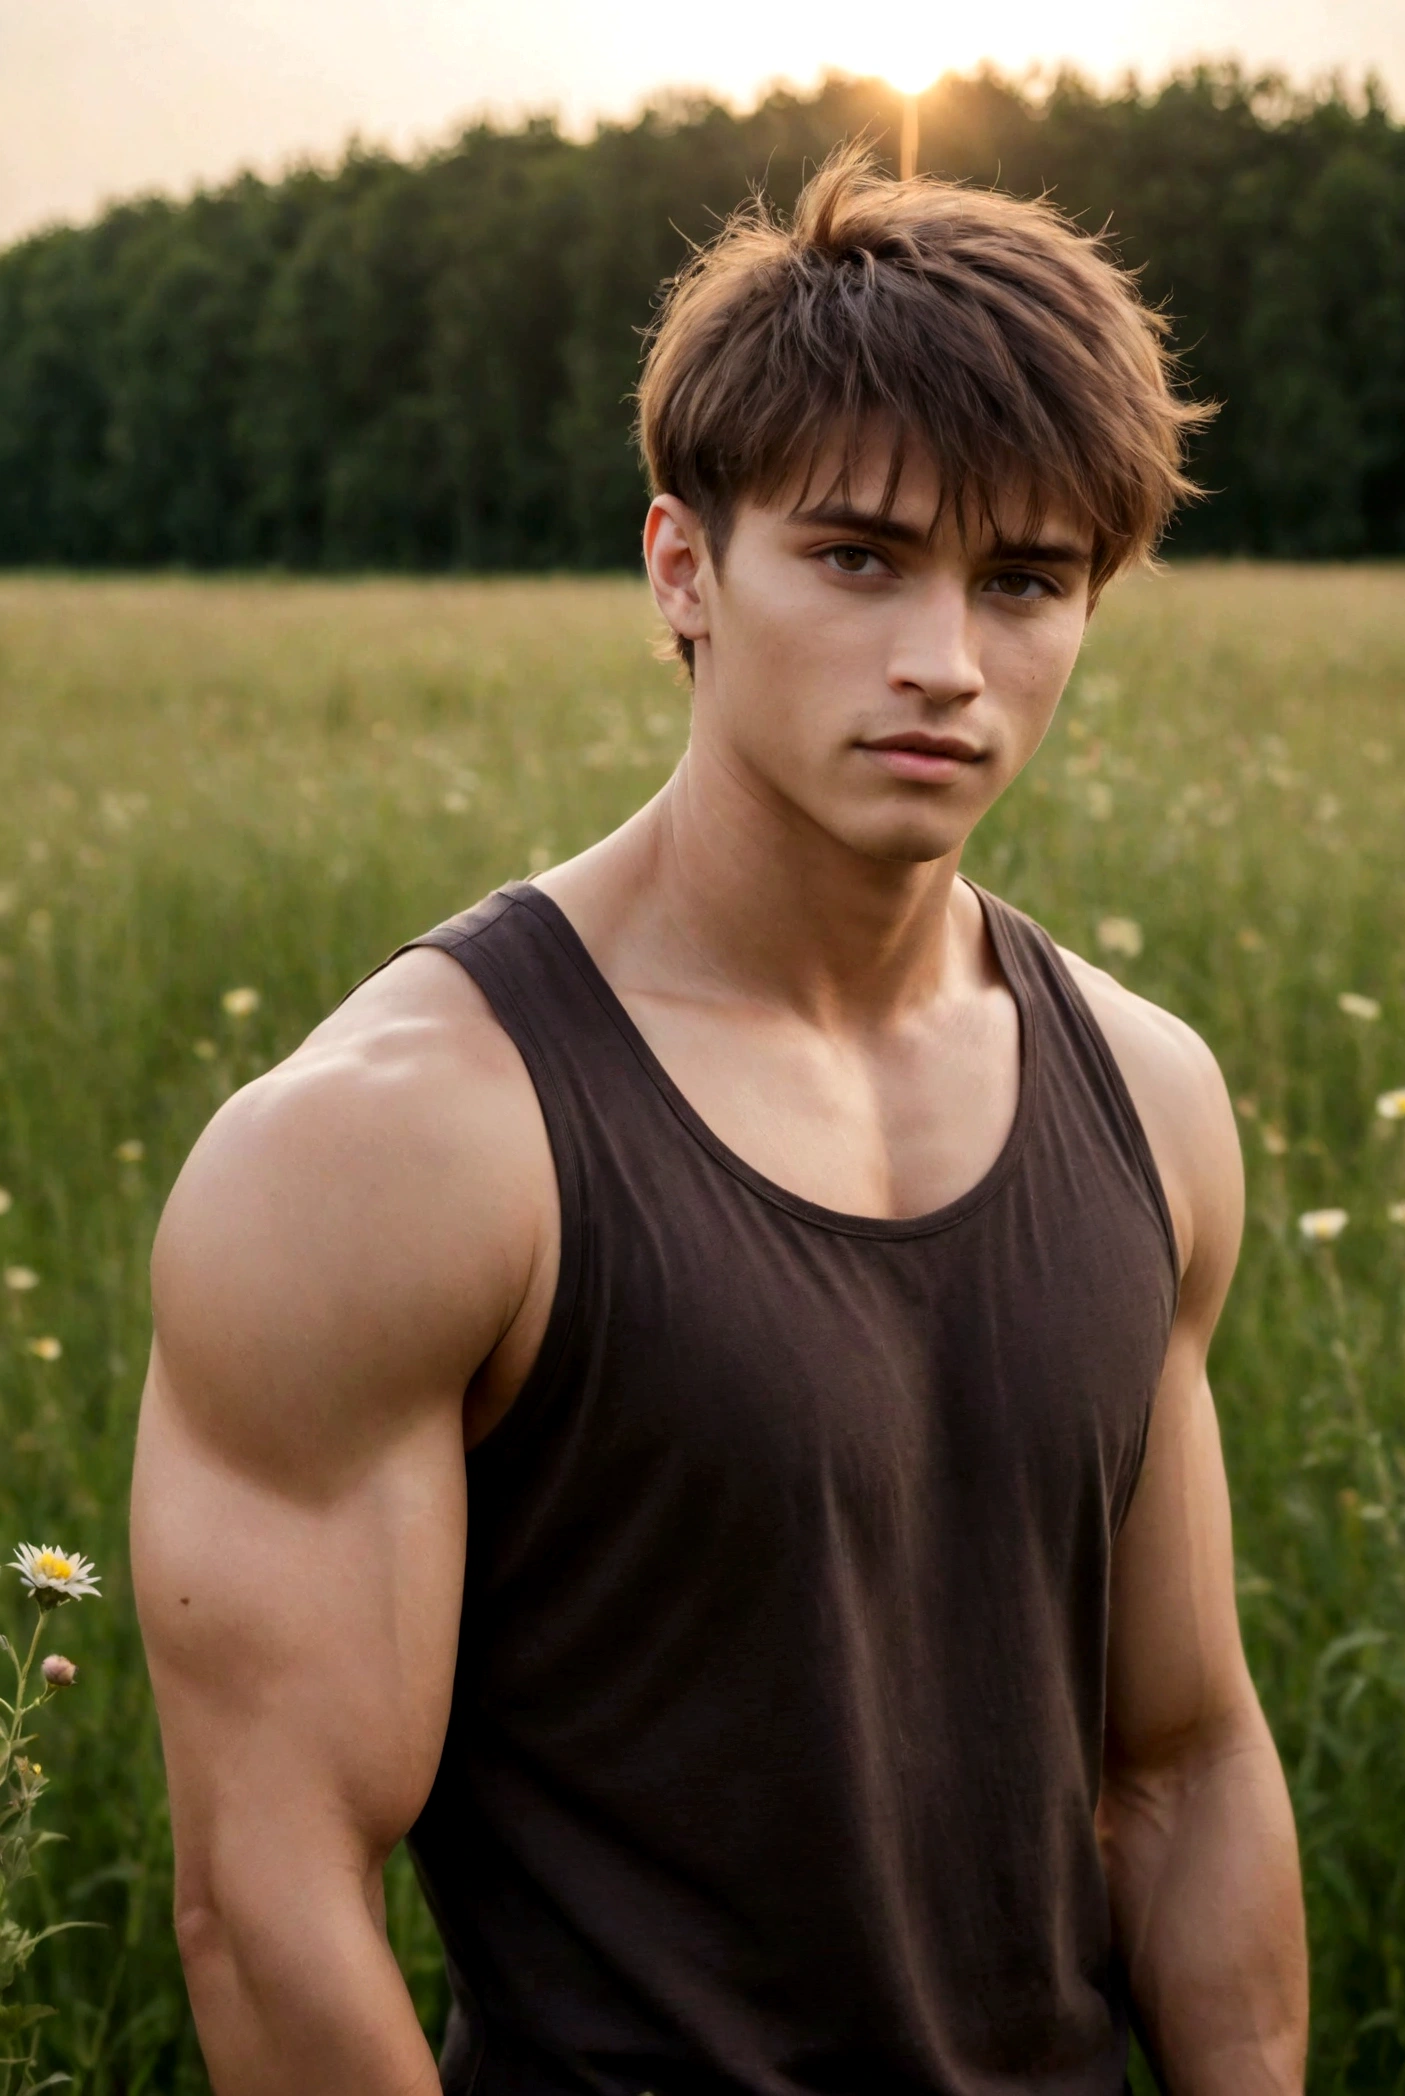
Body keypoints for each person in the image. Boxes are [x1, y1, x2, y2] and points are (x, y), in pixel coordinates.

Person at [131, 146, 1308, 2096]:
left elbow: (1176, 1769)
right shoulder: (389, 1143)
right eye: (855, 557)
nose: (944, 662)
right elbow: (270, 1899)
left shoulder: (1150, 1098)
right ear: (680, 566)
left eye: (1022, 581)